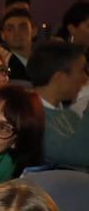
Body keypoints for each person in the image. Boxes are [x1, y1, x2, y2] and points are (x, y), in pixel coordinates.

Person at [30, 42, 89, 170]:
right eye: (81, 70)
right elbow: (82, 155)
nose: (85, 78)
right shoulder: (31, 118)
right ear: (60, 78)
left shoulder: (68, 114)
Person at [0, 8, 35, 79]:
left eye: (23, 28)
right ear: (2, 35)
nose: (17, 33)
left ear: (34, 31)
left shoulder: (45, 60)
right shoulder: (2, 63)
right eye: (10, 29)